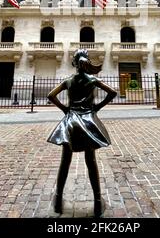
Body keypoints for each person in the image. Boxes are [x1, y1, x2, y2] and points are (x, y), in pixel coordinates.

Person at [47, 49, 117, 217]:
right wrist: (97, 108)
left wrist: (65, 109)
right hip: (88, 121)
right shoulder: (93, 79)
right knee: (91, 161)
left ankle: (58, 200)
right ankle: (98, 204)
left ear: (74, 64)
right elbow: (112, 93)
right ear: (86, 62)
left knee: (65, 161)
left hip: (71, 120)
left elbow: (51, 95)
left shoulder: (69, 81)